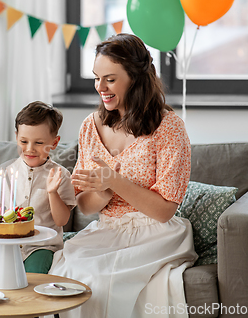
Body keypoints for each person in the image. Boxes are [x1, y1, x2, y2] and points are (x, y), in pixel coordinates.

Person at [48, 33, 198, 318]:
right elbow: (85, 205)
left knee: (105, 282)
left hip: (155, 233)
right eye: (96, 78)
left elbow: (164, 211)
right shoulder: (90, 126)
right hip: (108, 230)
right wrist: (103, 193)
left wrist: (115, 181)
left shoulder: (169, 127)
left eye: (110, 79)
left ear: (135, 78)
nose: (100, 87)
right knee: (66, 272)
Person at [0, 101, 76, 274]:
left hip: (41, 247)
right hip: (7, 245)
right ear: (16, 137)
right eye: (24, 141)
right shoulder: (5, 171)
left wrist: (53, 193)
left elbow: (61, 221)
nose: (30, 149)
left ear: (54, 143)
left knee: (33, 276)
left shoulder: (60, 175)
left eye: (39, 143)